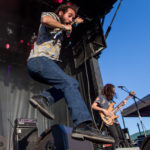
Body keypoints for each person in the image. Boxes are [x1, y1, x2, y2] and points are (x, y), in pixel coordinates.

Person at [27, 4, 111, 142]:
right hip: (39, 61)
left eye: (72, 17)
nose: (71, 19)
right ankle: (82, 124)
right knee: (69, 83)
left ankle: (43, 99)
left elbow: (70, 26)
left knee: (71, 83)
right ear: (60, 13)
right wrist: (65, 26)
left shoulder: (62, 27)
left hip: (41, 65)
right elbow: (45, 20)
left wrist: (75, 22)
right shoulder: (53, 17)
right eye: (69, 15)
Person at [92, 83, 135, 149]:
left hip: (114, 120)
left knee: (122, 138)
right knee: (116, 138)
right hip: (107, 120)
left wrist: (123, 103)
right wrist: (103, 110)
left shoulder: (111, 100)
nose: (113, 93)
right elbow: (93, 106)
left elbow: (114, 111)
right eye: (112, 91)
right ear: (108, 90)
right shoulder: (101, 97)